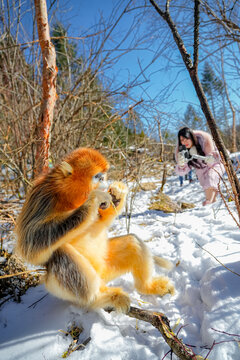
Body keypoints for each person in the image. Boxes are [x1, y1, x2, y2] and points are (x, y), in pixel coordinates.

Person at [175, 127, 225, 205]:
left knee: (211, 177)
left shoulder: (204, 142)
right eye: (182, 140)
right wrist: (181, 164)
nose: (185, 142)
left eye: (186, 138)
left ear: (191, 137)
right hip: (201, 170)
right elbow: (183, 171)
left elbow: (218, 156)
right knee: (208, 186)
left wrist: (211, 158)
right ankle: (212, 205)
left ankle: (208, 202)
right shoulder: (184, 152)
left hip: (216, 165)